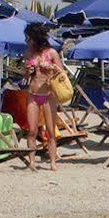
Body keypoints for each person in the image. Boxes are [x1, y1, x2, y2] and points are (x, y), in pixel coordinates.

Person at [21, 22, 63, 170]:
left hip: (49, 95)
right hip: (33, 94)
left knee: (51, 131)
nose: (26, 40)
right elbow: (25, 77)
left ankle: (52, 163)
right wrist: (27, 70)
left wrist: (50, 67)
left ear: (35, 37)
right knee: (32, 131)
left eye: (28, 38)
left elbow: (61, 72)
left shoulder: (51, 53)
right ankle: (32, 162)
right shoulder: (28, 53)